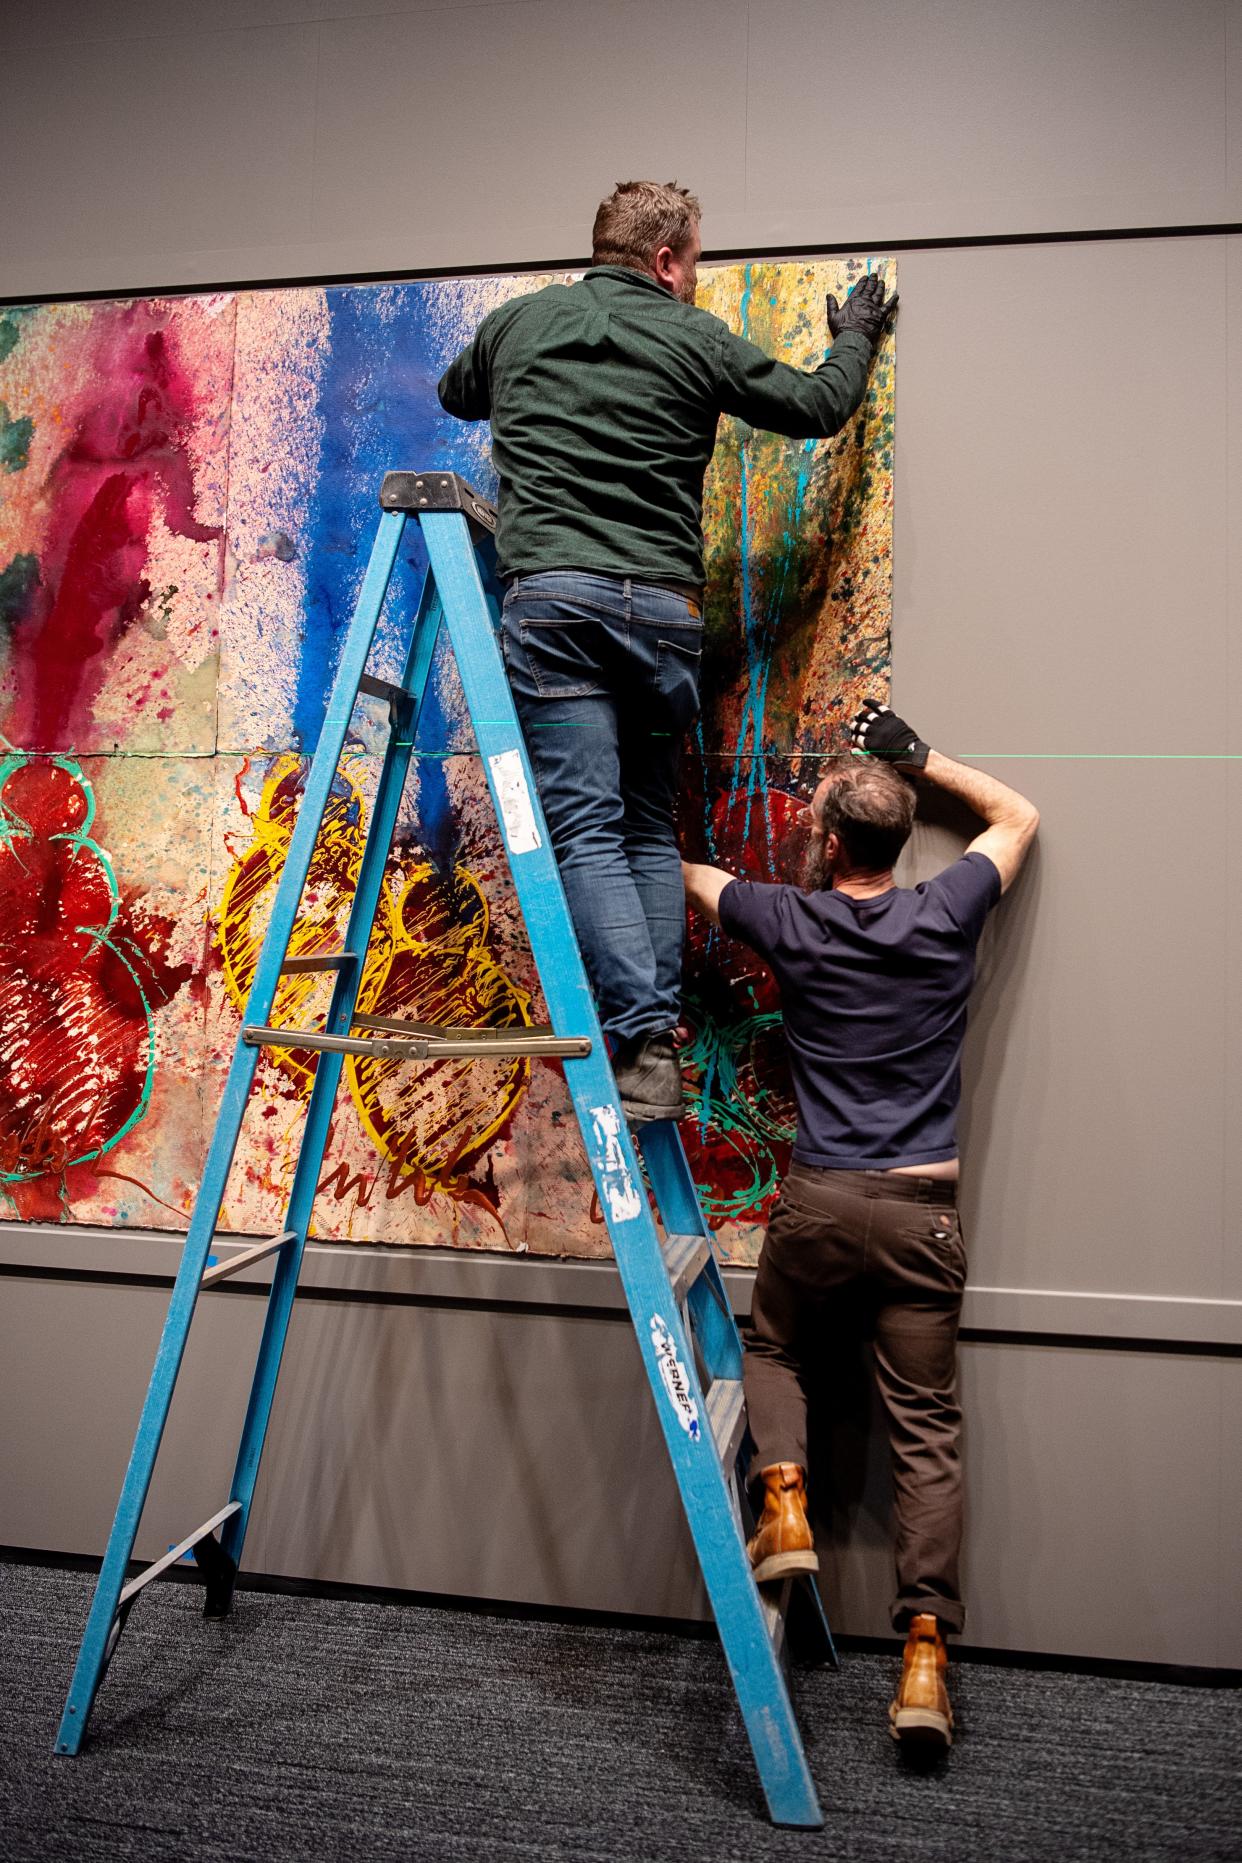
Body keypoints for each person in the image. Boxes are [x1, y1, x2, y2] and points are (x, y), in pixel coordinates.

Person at [438, 180, 897, 1121]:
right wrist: (855, 330)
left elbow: (456, 392)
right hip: (662, 619)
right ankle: (656, 1040)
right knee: (648, 828)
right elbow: (818, 405)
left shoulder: (519, 323)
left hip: (556, 606)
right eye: (696, 262)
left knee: (588, 831)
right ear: (666, 261)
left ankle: (644, 1040)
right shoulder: (697, 339)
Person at [681, 701, 1039, 1753]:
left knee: (777, 1345)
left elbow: (691, 878)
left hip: (823, 1201)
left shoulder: (791, 919)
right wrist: (919, 760)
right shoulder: (947, 910)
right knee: (927, 1432)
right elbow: (1017, 816)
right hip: (925, 1211)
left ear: (831, 845)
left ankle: (784, 1501)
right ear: (898, 840)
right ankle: (925, 1663)